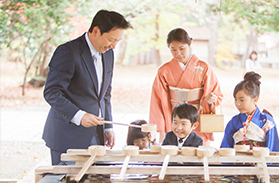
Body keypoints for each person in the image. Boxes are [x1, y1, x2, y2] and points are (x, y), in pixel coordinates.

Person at [42, 10, 131, 165]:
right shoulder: (68, 52)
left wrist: (108, 127)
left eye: (118, 41)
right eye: (111, 39)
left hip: (96, 135)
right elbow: (52, 92)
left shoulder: (108, 53)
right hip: (67, 136)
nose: (114, 46)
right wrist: (79, 115)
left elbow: (105, 94)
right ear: (95, 31)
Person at [149, 28, 223, 146]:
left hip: (196, 120)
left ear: (190, 44)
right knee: (173, 154)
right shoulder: (164, 70)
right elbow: (158, 101)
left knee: (198, 154)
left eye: (182, 48)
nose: (178, 53)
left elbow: (215, 94)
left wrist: (211, 100)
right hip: (175, 121)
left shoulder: (204, 68)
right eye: (173, 49)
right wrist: (161, 130)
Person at [220, 71, 279, 162]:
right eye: (236, 99)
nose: (238, 104)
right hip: (237, 169)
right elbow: (226, 150)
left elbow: (273, 149)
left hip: (261, 167)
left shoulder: (267, 121)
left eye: (242, 100)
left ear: (255, 100)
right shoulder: (233, 122)